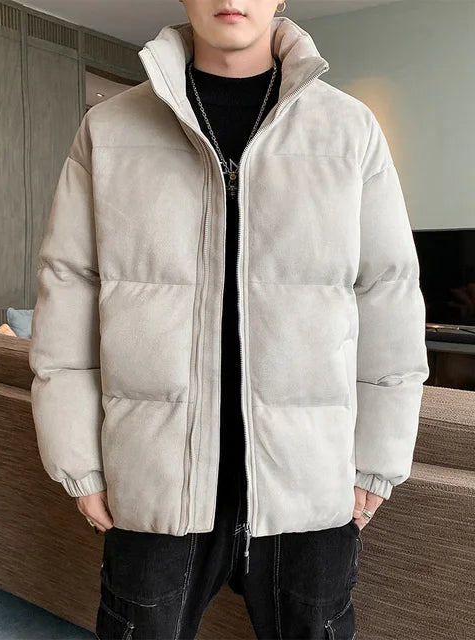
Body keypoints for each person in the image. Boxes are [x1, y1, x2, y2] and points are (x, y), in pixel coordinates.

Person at [29, 1, 430, 638]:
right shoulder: (109, 128)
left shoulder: (348, 129)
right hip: (155, 480)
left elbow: (388, 297)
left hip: (311, 483)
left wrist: (377, 463)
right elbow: (69, 292)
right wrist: (78, 461)